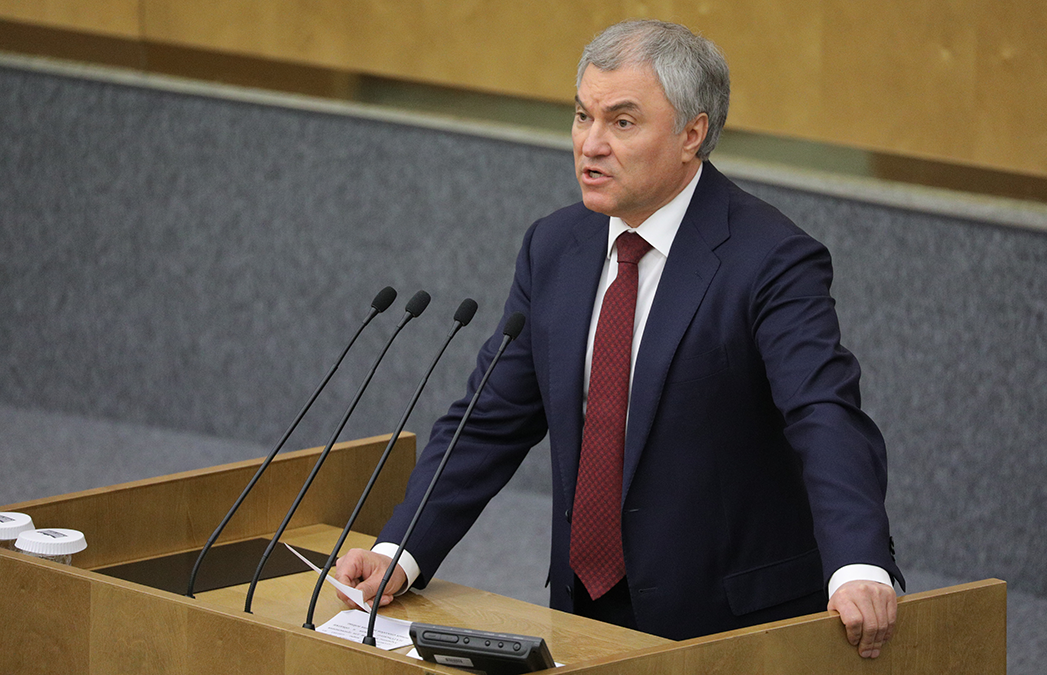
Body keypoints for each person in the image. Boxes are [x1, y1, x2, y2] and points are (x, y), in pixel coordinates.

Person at [336, 18, 903, 658]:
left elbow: (823, 413)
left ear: (692, 134)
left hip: (726, 622)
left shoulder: (770, 258)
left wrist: (858, 563)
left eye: (622, 122)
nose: (591, 144)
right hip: (583, 608)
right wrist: (402, 549)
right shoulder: (554, 246)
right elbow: (491, 418)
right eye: (583, 116)